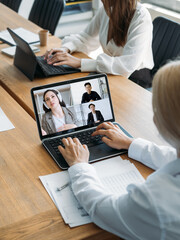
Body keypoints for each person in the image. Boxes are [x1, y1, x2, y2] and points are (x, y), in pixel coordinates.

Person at [58, 60, 180, 239]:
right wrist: (130, 143)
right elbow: (172, 158)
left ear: (162, 121)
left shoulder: (157, 200)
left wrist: (79, 165)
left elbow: (101, 208)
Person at [44, 0, 154, 81]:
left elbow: (127, 65)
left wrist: (79, 63)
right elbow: (85, 37)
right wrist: (65, 49)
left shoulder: (141, 17)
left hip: (135, 78)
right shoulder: (107, 9)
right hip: (110, 72)